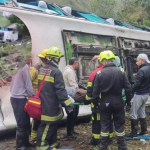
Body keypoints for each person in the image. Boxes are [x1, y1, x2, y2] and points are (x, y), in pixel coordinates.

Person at [93, 50, 132, 150]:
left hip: (105, 103)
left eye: (101, 61)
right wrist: (128, 103)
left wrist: (95, 103)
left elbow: (95, 92)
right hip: (118, 102)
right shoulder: (121, 71)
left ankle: (103, 147)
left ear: (104, 61)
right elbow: (128, 88)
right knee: (119, 126)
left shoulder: (99, 73)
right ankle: (122, 147)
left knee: (105, 126)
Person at [36, 46, 74, 150]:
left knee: (52, 125)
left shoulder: (42, 69)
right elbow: (60, 91)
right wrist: (69, 104)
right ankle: (42, 146)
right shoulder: (56, 72)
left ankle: (52, 144)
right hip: (51, 104)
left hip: (44, 102)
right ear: (56, 58)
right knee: (47, 126)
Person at [84, 57, 113, 146]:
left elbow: (90, 91)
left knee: (96, 121)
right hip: (110, 103)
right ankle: (109, 138)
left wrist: (87, 100)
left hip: (97, 103)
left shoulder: (94, 73)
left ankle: (96, 140)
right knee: (109, 120)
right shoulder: (113, 72)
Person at [10, 57, 34, 150]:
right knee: (22, 123)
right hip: (20, 98)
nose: (31, 58)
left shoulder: (14, 66)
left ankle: (26, 143)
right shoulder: (24, 67)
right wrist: (32, 96)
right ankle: (20, 146)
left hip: (15, 97)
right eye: (30, 56)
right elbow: (28, 84)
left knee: (25, 122)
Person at [126, 54, 150, 138]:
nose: (136, 63)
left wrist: (131, 91)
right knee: (142, 111)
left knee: (133, 113)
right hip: (146, 94)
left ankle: (133, 133)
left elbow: (137, 84)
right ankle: (143, 130)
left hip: (139, 94)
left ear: (143, 61)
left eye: (137, 61)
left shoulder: (142, 70)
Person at [30, 49, 48, 144]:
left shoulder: (46, 68)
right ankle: (34, 138)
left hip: (44, 97)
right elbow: (27, 82)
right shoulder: (35, 69)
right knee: (37, 118)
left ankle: (40, 136)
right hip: (37, 97)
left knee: (42, 118)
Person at [63, 57, 80, 138]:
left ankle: (72, 130)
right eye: (78, 63)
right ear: (75, 63)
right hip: (71, 96)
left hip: (70, 95)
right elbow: (73, 84)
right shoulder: (70, 72)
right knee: (71, 114)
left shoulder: (69, 70)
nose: (78, 65)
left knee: (74, 114)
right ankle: (69, 133)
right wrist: (79, 91)